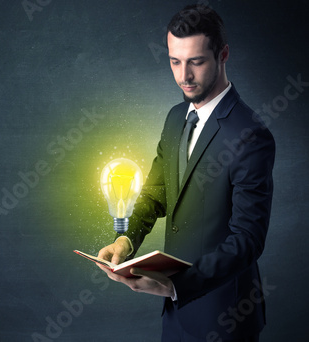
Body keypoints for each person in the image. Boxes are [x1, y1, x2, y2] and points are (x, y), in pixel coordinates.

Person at [96, 4, 275, 342]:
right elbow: (156, 192)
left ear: (222, 54)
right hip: (177, 315)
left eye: (196, 61)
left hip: (226, 318)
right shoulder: (176, 117)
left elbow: (248, 241)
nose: (184, 76)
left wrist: (176, 285)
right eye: (174, 61)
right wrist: (127, 239)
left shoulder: (251, 135)